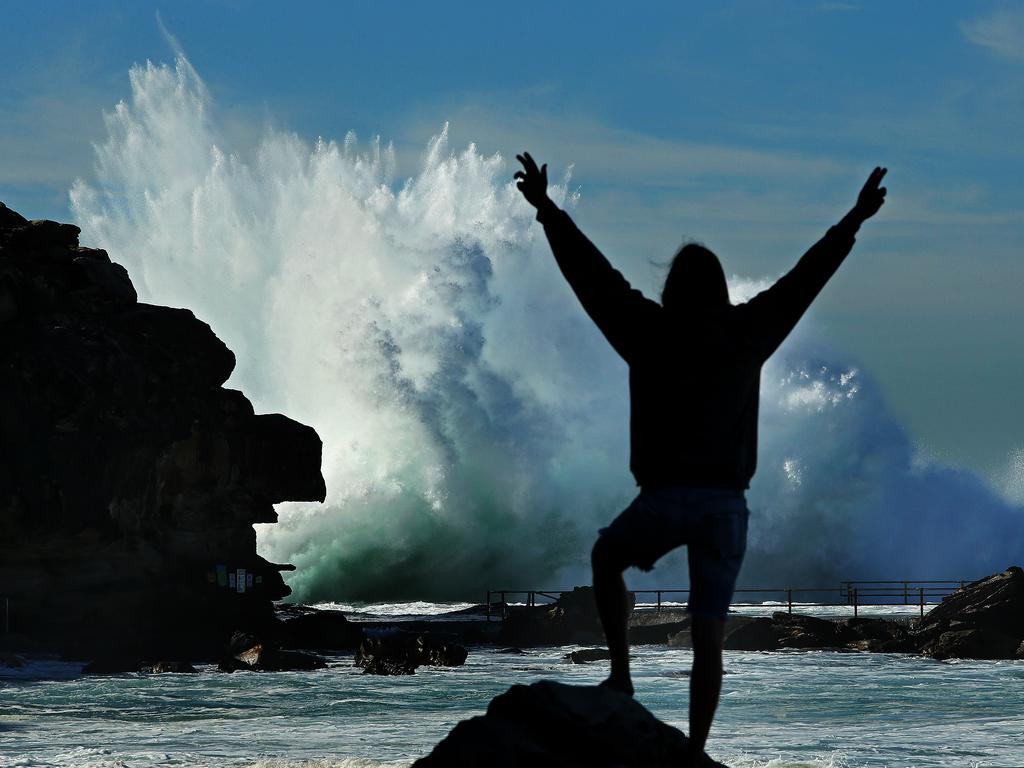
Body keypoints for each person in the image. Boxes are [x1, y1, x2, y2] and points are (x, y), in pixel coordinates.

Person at [514, 152, 887, 763]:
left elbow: (591, 274)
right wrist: (855, 218)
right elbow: (806, 276)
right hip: (723, 505)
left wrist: (548, 211)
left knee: (608, 558)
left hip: (663, 498)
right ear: (719, 289)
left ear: (670, 289)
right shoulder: (749, 331)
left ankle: (621, 676)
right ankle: (694, 750)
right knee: (708, 636)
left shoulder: (645, 328)